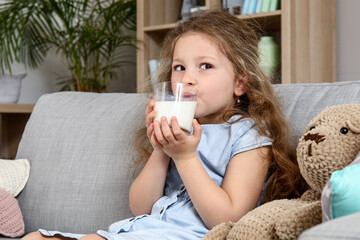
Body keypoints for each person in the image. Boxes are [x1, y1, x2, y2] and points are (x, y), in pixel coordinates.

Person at [22, 9, 306, 240]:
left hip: (189, 236)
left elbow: (228, 218)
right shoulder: (178, 130)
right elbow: (141, 207)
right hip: (143, 231)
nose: (187, 79)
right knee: (35, 238)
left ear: (240, 83)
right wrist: (161, 148)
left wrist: (184, 156)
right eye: (179, 67)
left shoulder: (248, 134)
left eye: (205, 66)